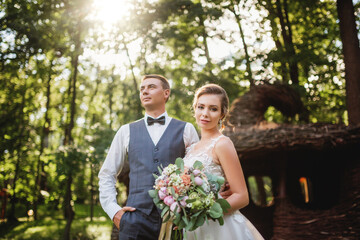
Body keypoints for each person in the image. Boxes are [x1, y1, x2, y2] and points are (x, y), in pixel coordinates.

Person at [98, 74, 199, 240]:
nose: (145, 91)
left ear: (166, 93)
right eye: (142, 89)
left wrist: (190, 211)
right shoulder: (126, 131)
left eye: (151, 87)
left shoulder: (187, 129)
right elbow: (107, 173)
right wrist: (114, 211)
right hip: (134, 221)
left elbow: (198, 174)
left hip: (175, 222)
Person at [183, 83, 264, 240]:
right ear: (195, 109)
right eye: (201, 107)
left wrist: (206, 213)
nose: (205, 113)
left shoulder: (222, 144)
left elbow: (242, 196)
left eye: (213, 109)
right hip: (194, 228)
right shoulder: (190, 149)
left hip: (220, 226)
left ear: (222, 114)